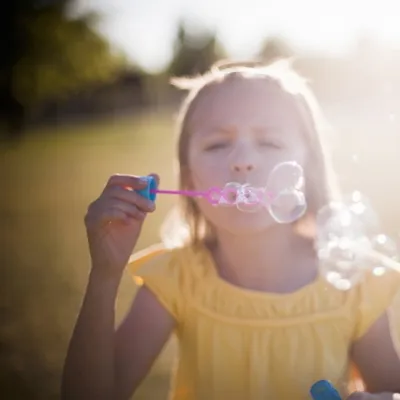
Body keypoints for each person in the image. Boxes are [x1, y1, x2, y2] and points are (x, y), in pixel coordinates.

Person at [61, 60, 400, 400]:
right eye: (217, 145)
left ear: (308, 169)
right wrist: (105, 274)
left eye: (269, 143)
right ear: (189, 176)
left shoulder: (356, 283)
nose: (242, 160)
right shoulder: (178, 278)